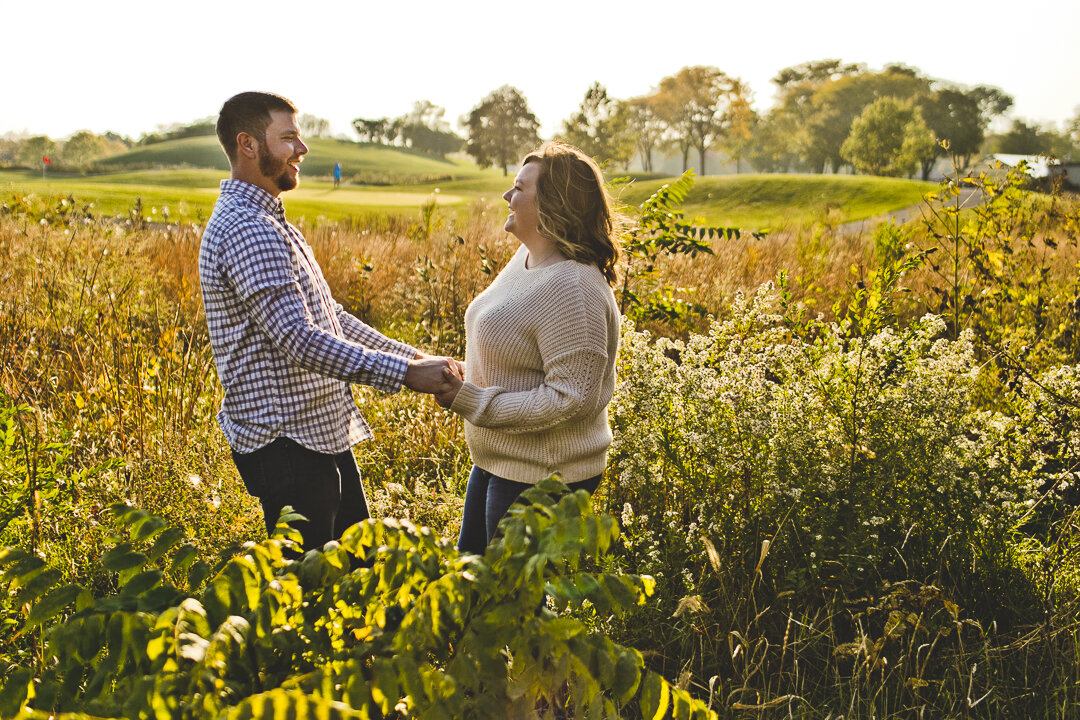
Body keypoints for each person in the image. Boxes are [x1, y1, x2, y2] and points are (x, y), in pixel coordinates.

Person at [199, 91, 458, 552]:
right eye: (289, 138)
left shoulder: (272, 221)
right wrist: (404, 374)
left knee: (354, 578)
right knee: (313, 599)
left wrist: (414, 357)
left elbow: (329, 317)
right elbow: (298, 339)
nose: (302, 149)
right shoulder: (247, 228)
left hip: (316, 435)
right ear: (249, 144)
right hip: (287, 447)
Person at [435, 141, 622, 554]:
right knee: (471, 587)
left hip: (544, 474)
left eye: (519, 188)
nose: (507, 196)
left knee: (511, 609)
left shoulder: (574, 287)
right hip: (499, 459)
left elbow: (572, 398)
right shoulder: (527, 258)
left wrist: (472, 401)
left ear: (554, 205)